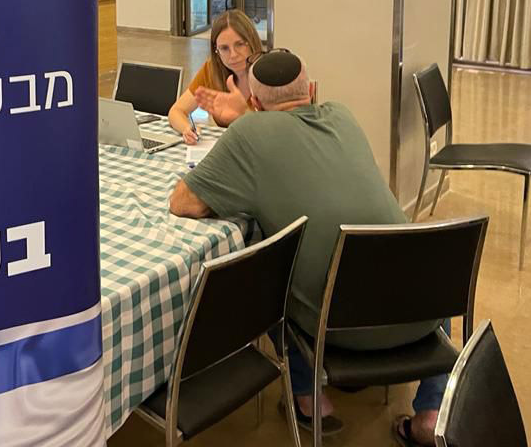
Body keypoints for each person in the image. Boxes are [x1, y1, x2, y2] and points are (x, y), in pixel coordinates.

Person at [168, 50, 446, 446]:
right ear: (312, 91)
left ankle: (309, 400)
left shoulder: (249, 134)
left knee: (268, 261)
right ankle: (431, 414)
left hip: (340, 326)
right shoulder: (342, 116)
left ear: (255, 101)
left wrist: (243, 124)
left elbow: (183, 203)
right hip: (426, 311)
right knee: (418, 264)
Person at [167, 9, 263, 143]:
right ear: (216, 51)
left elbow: (278, 132)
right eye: (224, 48)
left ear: (252, 42)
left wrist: (243, 113)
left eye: (240, 44)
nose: (233, 55)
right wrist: (187, 128)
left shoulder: (269, 73)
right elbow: (176, 111)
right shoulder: (212, 69)